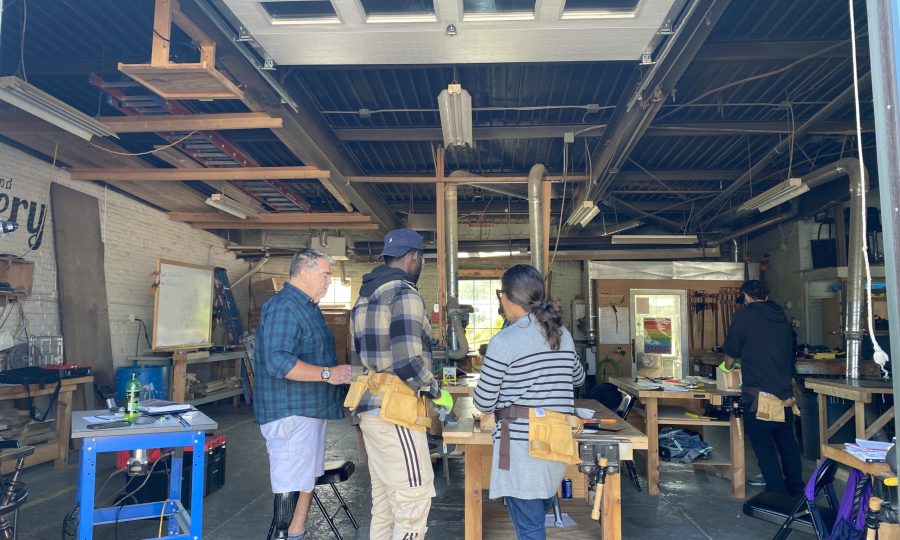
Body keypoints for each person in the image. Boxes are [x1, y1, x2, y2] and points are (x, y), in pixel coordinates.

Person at [349, 228, 451, 540]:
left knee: (385, 503)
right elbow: (408, 361)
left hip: (369, 407)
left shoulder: (364, 297)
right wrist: (437, 391)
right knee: (413, 500)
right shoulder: (404, 293)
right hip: (396, 413)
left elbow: (355, 362)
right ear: (414, 258)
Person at [473, 264, 586, 540]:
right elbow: (579, 377)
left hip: (523, 449)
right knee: (535, 517)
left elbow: (484, 400)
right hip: (555, 444)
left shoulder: (505, 340)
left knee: (530, 530)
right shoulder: (563, 334)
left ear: (508, 297)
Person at [253, 248, 352, 540]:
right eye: (325, 274)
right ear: (305, 272)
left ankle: (296, 532)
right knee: (289, 483)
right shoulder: (285, 306)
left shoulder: (307, 306)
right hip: (289, 414)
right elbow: (277, 361)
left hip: (308, 410)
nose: (329, 281)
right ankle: (283, 534)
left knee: (307, 478)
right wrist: (328, 374)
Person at [723, 279, 803, 497]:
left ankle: (776, 491)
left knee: (763, 445)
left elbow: (731, 349)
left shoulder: (745, 316)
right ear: (766, 296)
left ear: (747, 296)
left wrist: (727, 367)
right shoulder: (781, 317)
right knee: (787, 443)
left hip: (759, 397)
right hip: (785, 394)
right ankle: (796, 489)